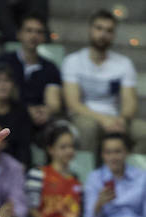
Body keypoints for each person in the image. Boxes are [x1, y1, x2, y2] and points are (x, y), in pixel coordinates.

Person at [61, 8, 146, 155]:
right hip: (85, 116)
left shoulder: (123, 64)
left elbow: (130, 103)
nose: (103, 34)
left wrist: (122, 120)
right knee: (88, 127)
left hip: (115, 117)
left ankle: (135, 176)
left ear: (114, 35)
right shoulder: (73, 61)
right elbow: (73, 104)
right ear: (90, 29)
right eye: (99, 28)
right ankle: (86, 174)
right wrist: (104, 120)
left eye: (109, 30)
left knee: (143, 131)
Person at [0, 14, 62, 131]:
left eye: (39, 32)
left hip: (39, 122)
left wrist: (46, 111)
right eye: (29, 30)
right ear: (19, 34)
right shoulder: (4, 61)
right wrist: (25, 110)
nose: (33, 35)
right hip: (7, 118)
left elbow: (53, 102)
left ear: (44, 37)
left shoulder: (50, 68)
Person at [25, 123, 85, 217]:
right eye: (63, 147)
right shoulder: (38, 174)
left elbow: (78, 212)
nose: (69, 151)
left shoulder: (76, 180)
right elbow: (30, 207)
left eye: (71, 146)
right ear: (51, 149)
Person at [82, 132, 146, 217]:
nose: (113, 157)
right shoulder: (95, 178)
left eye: (118, 152)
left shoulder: (142, 177)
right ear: (102, 155)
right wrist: (99, 204)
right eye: (108, 152)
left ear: (127, 152)